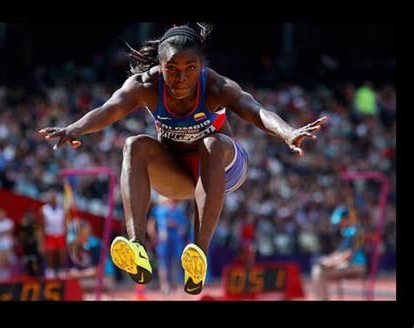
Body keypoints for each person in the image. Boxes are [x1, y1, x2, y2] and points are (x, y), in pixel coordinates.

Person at [39, 23, 327, 294]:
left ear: (201, 66)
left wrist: (288, 133)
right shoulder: (145, 86)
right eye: (172, 68)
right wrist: (75, 128)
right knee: (134, 145)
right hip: (178, 174)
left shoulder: (216, 87)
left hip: (224, 169)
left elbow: (256, 111)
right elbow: (111, 109)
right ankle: (137, 247)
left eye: (190, 68)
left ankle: (198, 255)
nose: (181, 78)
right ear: (160, 66)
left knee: (211, 143)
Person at [310, 206, 367, 300]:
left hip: (357, 266)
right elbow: (339, 252)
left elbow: (348, 254)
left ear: (346, 219)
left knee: (319, 271)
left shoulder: (354, 232)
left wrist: (331, 262)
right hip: (346, 265)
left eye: (340, 221)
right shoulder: (346, 233)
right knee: (318, 269)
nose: (338, 224)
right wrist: (327, 260)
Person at [147, 196, 190, 294]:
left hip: (176, 240)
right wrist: (153, 235)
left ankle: (179, 285)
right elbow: (151, 223)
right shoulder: (158, 210)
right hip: (163, 242)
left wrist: (177, 227)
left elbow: (183, 226)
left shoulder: (179, 210)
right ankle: (165, 285)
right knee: (163, 263)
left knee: (179, 263)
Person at [37, 188, 68, 279]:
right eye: (51, 196)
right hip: (49, 234)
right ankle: (50, 272)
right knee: (50, 254)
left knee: (62, 254)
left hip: (60, 234)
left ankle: (62, 272)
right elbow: (41, 227)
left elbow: (65, 225)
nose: (52, 198)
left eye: (54, 196)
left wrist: (66, 239)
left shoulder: (63, 209)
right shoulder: (43, 210)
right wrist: (41, 242)